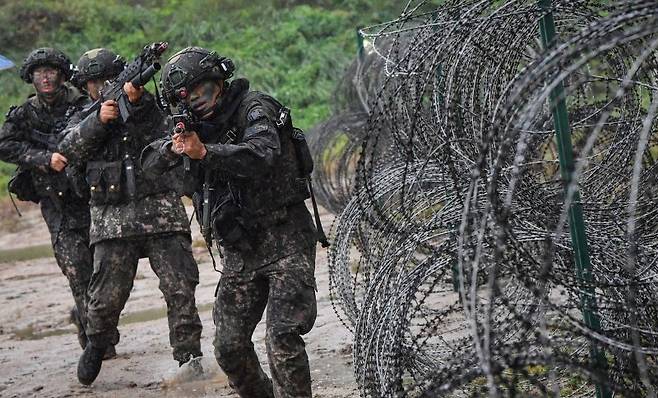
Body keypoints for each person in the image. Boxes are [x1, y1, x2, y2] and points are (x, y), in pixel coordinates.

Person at [141, 47, 320, 398]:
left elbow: (262, 154)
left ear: (219, 83)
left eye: (201, 91)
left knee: (282, 337)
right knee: (229, 347)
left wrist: (205, 153)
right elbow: (150, 164)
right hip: (240, 249)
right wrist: (173, 149)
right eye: (187, 98)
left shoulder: (254, 108)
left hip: (285, 238)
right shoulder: (191, 127)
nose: (197, 102)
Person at [59, 48, 203, 386]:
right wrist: (99, 120)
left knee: (180, 287)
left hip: (160, 211)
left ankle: (189, 356)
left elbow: (168, 131)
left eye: (107, 80)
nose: (100, 86)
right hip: (112, 219)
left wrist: (136, 103)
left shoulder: (150, 105)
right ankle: (96, 344)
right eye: (94, 82)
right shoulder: (81, 115)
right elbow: (68, 149)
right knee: (106, 298)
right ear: (85, 85)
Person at [0, 47, 116, 357]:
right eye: (39, 73)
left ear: (62, 74)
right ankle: (98, 343)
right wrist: (43, 158)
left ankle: (95, 325)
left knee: (103, 272)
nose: (46, 77)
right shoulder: (24, 114)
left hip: (92, 198)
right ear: (31, 78)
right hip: (56, 205)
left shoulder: (81, 103)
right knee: (77, 271)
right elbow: (4, 144)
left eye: (51, 71)